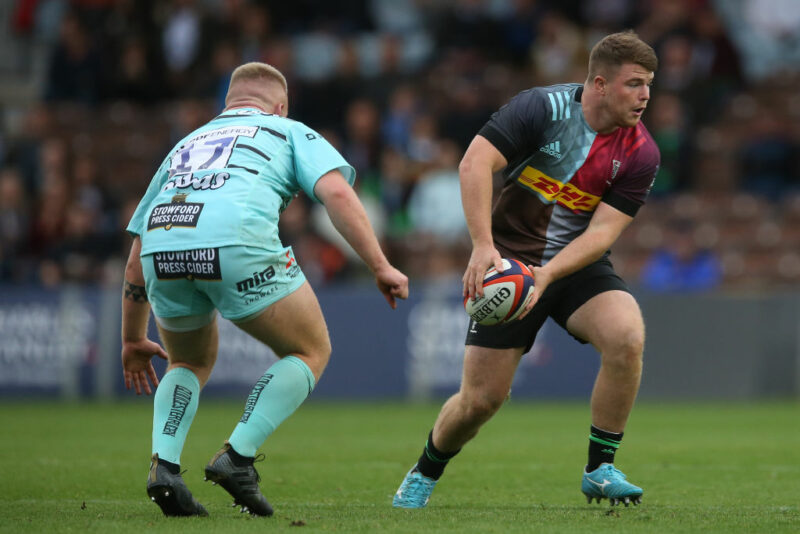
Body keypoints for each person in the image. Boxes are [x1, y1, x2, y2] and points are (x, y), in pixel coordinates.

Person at [121, 62, 408, 517]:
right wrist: (380, 264)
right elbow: (336, 193)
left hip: (164, 246)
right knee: (310, 349)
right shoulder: (286, 129)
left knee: (188, 361)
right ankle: (237, 457)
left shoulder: (185, 144)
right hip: (235, 241)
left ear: (228, 105)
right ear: (280, 106)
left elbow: (136, 254)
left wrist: (132, 338)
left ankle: (165, 468)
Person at [393, 30, 660, 509]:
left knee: (627, 337)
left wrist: (551, 273)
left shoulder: (641, 152)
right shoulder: (541, 108)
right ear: (600, 84)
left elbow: (602, 233)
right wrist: (482, 246)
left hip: (575, 263)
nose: (645, 96)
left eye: (649, 85)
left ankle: (600, 469)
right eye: (634, 83)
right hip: (508, 264)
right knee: (480, 401)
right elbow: (474, 164)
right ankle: (424, 471)